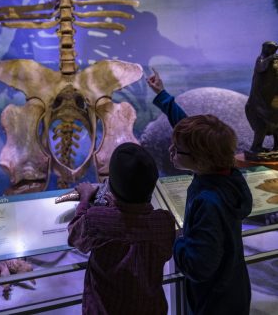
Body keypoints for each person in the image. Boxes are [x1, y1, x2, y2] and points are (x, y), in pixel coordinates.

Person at [147, 69, 253, 315]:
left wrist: (176, 239)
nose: (171, 151)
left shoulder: (209, 202)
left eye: (177, 150)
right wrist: (162, 95)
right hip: (234, 288)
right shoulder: (229, 177)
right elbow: (189, 131)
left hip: (213, 302)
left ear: (201, 160)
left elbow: (198, 266)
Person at [68, 142, 176, 315]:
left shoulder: (96, 220)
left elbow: (74, 236)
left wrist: (85, 199)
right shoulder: (165, 222)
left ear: (112, 186)